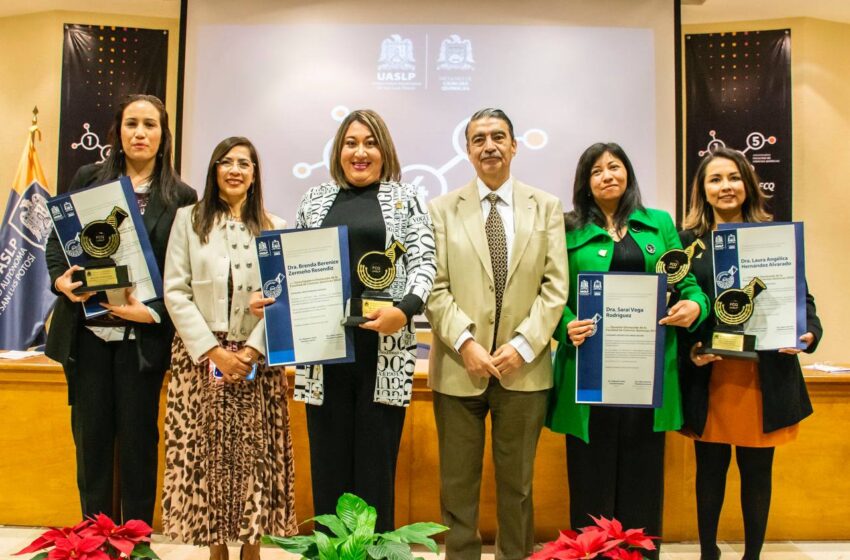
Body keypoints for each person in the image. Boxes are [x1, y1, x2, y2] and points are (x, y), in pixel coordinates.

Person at [252, 109, 435, 532]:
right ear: (338, 151)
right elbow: (291, 264)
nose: (360, 152)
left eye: (370, 142)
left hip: (383, 353)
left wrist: (404, 310)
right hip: (323, 354)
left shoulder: (407, 198)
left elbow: (425, 264)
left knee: (375, 471)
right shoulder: (315, 200)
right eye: (351, 142)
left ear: (383, 150)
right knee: (329, 467)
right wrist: (272, 298)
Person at [545, 142, 709, 558]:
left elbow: (688, 285)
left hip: (645, 374)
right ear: (585, 182)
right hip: (589, 376)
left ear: (628, 173)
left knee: (642, 479)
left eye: (614, 166)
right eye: (596, 170)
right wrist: (567, 327)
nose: (607, 176)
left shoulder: (659, 224)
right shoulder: (565, 228)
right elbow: (550, 293)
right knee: (590, 479)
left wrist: (694, 305)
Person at [45, 94, 197, 525]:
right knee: (91, 443)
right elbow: (58, 241)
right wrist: (61, 281)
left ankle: (136, 539)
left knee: (136, 444)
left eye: (150, 125)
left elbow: (181, 270)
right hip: (87, 334)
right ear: (119, 131)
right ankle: (93, 539)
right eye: (132, 124)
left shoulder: (182, 197)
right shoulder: (88, 178)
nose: (140, 133)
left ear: (164, 135)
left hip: (141, 340)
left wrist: (148, 313)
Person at [426, 108, 568, 560]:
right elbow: (434, 285)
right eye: (478, 138)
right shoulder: (441, 209)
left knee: (518, 486)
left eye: (498, 137)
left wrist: (523, 346)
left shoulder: (544, 206)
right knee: (457, 486)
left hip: (523, 371)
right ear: (467, 150)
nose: (489, 145)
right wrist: (466, 343)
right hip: (457, 367)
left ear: (514, 146)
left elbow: (555, 286)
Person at [678, 147, 822, 560]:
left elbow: (802, 300)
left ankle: (752, 556)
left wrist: (808, 332)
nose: (726, 187)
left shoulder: (774, 238)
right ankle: (709, 552)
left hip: (763, 375)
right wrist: (692, 352)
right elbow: (675, 304)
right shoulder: (688, 244)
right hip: (712, 374)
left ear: (748, 184)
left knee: (757, 473)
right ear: (702, 190)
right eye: (715, 179)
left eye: (734, 178)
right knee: (710, 472)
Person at [162, 137, 296, 560]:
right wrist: (213, 351)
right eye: (227, 162)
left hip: (258, 356)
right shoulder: (188, 220)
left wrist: (252, 350)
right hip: (201, 357)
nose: (236, 170)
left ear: (255, 173)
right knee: (207, 452)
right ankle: (215, 544)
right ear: (214, 170)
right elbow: (175, 292)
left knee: (256, 453)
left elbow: (281, 295)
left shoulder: (274, 225)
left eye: (245, 163)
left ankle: (252, 544)